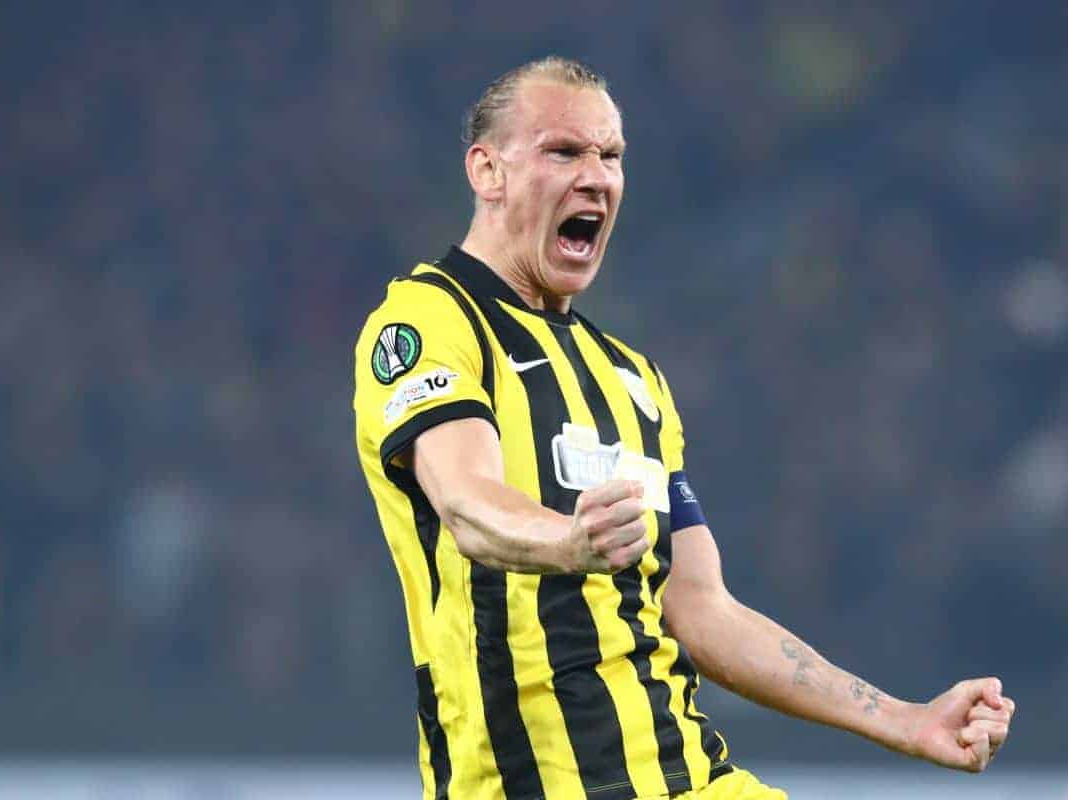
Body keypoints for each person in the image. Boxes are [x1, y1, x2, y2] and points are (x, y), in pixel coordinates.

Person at [352, 56, 1014, 800]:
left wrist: (906, 720)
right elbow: (466, 503)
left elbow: (702, 608)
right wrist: (568, 544)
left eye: (611, 156)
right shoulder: (428, 320)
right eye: (563, 152)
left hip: (694, 780)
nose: (596, 177)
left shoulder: (633, 380)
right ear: (487, 171)